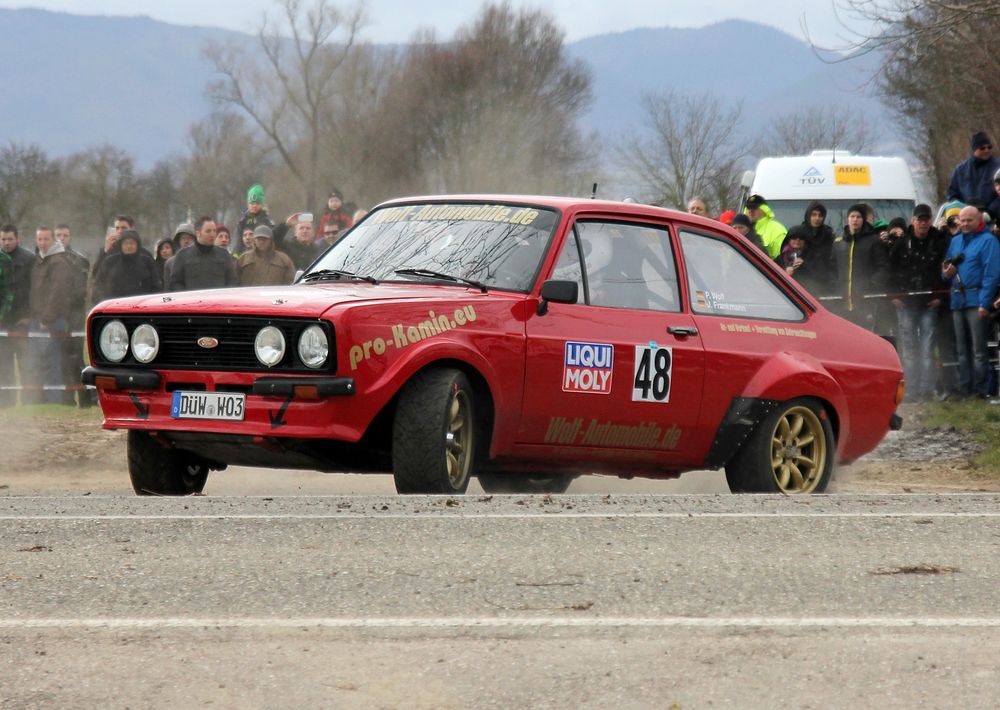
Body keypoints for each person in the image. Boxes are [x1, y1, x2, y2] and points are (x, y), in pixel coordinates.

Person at [887, 204, 948, 401]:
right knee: (909, 349)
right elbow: (889, 270)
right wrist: (893, 296)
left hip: (930, 303)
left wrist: (941, 297)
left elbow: (946, 270)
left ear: (930, 221)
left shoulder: (939, 241)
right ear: (913, 221)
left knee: (927, 349)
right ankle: (911, 391)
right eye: (919, 219)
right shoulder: (902, 243)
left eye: (926, 219)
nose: (923, 223)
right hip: (906, 305)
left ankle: (926, 390)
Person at [943, 204, 1000, 398]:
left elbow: (991, 275)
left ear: (979, 221)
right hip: (958, 299)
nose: (965, 223)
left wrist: (985, 303)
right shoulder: (955, 241)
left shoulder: (988, 241)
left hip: (976, 300)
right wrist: (946, 273)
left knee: (978, 349)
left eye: (969, 220)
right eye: (962, 220)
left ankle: (980, 389)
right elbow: (946, 269)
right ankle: (965, 388)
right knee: (961, 349)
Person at [28, 226, 76, 404]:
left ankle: (53, 402)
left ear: (52, 240)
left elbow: (58, 293)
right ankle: (38, 402)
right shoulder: (40, 260)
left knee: (51, 364)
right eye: (39, 239)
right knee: (37, 364)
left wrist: (46, 319)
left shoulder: (58, 262)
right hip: (38, 319)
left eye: (46, 239)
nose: (42, 243)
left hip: (51, 321)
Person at [832, 203, 890, 330]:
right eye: (852, 216)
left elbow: (883, 267)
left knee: (865, 335)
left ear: (863, 220)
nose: (855, 220)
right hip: (843, 300)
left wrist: (871, 284)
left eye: (858, 217)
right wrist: (836, 285)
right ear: (847, 219)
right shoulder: (839, 243)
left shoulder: (874, 241)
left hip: (866, 300)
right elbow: (832, 268)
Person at [53, 224, 91, 406]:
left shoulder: (79, 260)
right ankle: (66, 400)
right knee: (59, 359)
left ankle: (85, 398)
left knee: (76, 358)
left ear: (70, 237)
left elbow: (79, 290)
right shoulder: (48, 259)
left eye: (65, 235)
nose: (61, 238)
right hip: (55, 316)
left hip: (74, 315)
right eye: (58, 235)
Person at [0, 225, 35, 406]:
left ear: (17, 238)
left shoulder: (29, 259)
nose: (6, 243)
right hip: (3, 321)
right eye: (3, 239)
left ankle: (30, 402)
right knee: (4, 364)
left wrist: (29, 315)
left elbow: (35, 290)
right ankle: (7, 403)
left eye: (10, 239)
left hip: (22, 319)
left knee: (25, 364)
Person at [167, 217, 237, 292]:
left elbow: (232, 280)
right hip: (192, 301)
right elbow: (175, 283)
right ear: (198, 233)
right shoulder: (183, 255)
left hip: (218, 301)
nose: (212, 234)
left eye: (214, 231)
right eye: (208, 231)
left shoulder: (224, 255)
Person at [93, 230, 162, 301]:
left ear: (137, 245)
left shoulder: (147, 262)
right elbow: (98, 287)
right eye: (125, 243)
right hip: (114, 306)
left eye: (132, 243)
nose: (129, 246)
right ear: (121, 245)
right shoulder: (110, 262)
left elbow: (156, 287)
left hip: (142, 306)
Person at [946, 132, 1000, 212]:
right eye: (982, 148)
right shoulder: (960, 170)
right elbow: (953, 194)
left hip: (993, 216)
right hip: (967, 217)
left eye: (989, 147)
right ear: (974, 149)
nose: (986, 150)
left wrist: (990, 212)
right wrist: (963, 211)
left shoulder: (998, 166)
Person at [795, 200, 838, 297]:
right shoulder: (798, 234)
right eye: (813, 215)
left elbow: (833, 262)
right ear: (808, 215)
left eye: (820, 215)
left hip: (824, 284)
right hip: (803, 284)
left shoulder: (829, 236)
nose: (817, 218)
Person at [743, 194, 786, 258]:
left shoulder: (777, 230)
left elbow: (782, 260)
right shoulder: (740, 228)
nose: (751, 211)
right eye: (748, 208)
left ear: (765, 210)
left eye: (755, 208)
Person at [236, 184, 274, 255]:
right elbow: (238, 243)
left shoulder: (266, 220)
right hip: (245, 255)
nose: (254, 205)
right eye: (252, 203)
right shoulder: (242, 221)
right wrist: (235, 257)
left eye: (257, 203)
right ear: (248, 205)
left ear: (262, 205)